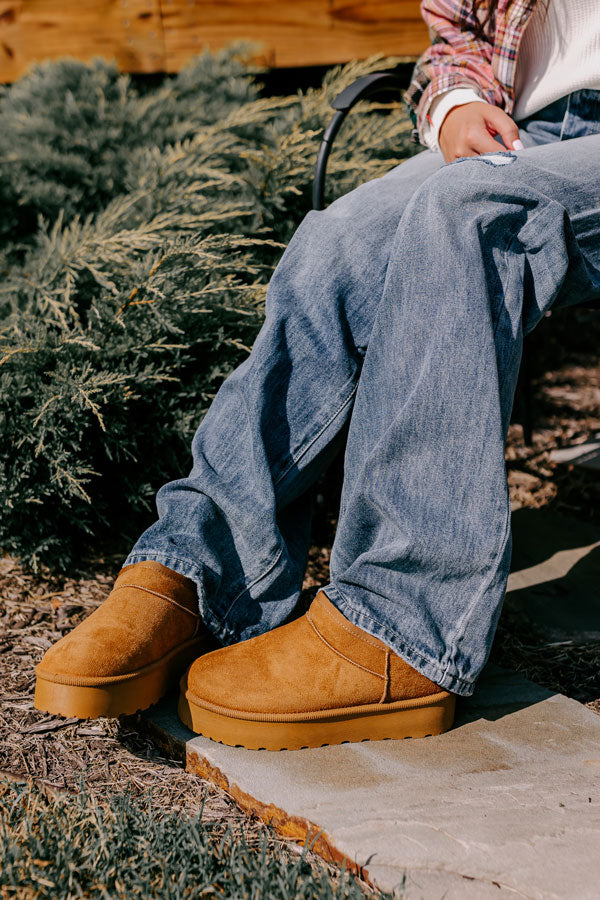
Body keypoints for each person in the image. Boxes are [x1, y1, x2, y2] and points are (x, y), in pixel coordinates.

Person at [34, 0, 600, 750]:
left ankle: (403, 622)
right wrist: (456, 102)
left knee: (472, 212)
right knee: (337, 247)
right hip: (531, 123)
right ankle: (204, 566)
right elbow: (457, 32)